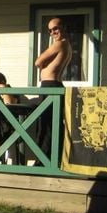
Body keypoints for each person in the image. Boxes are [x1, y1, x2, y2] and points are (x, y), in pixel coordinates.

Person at [34, 17, 72, 158]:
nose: (52, 33)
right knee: (52, 123)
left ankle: (44, 160)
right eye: (50, 30)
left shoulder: (59, 44)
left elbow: (38, 62)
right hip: (55, 85)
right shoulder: (67, 45)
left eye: (55, 28)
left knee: (45, 125)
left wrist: (44, 64)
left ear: (63, 27)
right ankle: (52, 159)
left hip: (49, 86)